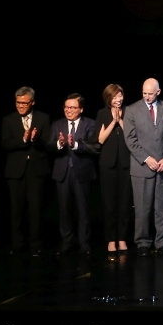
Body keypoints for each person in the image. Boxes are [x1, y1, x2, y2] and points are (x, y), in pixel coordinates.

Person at [124, 78, 163, 256]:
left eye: (150, 93)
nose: (147, 97)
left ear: (158, 92)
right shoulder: (131, 110)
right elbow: (130, 139)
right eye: (144, 93)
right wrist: (146, 158)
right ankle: (143, 242)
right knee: (143, 208)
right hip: (142, 167)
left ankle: (162, 241)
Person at [0, 86, 51, 256]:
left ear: (32, 102)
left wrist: (36, 139)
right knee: (16, 210)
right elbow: (5, 144)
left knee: (36, 209)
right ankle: (18, 244)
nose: (20, 106)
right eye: (18, 102)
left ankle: (36, 244)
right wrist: (23, 139)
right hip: (16, 171)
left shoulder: (43, 118)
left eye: (24, 103)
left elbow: (48, 144)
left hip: (36, 169)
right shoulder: (8, 120)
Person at [50, 93, 100, 254]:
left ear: (81, 109)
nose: (69, 110)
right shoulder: (57, 124)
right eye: (66, 107)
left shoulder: (90, 124)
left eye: (73, 107)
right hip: (62, 172)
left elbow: (94, 147)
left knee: (83, 209)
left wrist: (75, 145)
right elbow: (49, 146)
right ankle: (67, 242)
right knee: (64, 209)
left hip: (82, 172)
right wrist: (60, 144)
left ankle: (84, 243)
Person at [96, 84, 132, 254]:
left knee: (125, 203)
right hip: (107, 164)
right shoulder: (102, 114)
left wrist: (122, 120)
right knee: (109, 204)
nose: (119, 99)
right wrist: (113, 122)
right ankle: (111, 240)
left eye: (120, 96)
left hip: (126, 164)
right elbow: (101, 139)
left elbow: (132, 136)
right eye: (115, 97)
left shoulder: (129, 111)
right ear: (109, 98)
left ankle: (123, 238)